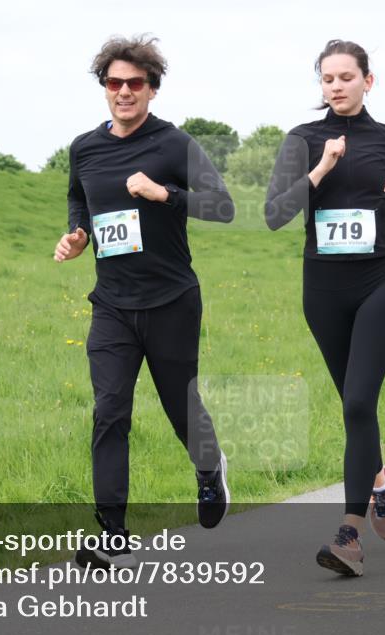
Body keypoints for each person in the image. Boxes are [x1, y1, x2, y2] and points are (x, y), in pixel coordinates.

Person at [55, 35, 234, 569]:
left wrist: (166, 195)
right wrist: (77, 234)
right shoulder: (85, 148)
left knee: (181, 406)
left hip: (171, 299)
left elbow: (222, 206)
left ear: (152, 89)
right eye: (115, 83)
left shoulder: (173, 145)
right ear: (104, 89)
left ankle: (209, 470)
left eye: (136, 83)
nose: (125, 92)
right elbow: (77, 199)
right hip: (111, 303)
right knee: (109, 411)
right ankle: (112, 531)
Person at [265, 39, 385, 576]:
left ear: (368, 80)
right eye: (326, 79)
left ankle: (347, 534)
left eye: (345, 76)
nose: (335, 86)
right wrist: (320, 169)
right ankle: (379, 480)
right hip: (323, 289)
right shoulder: (303, 139)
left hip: (383, 280)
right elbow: (275, 213)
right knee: (352, 405)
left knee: (360, 402)